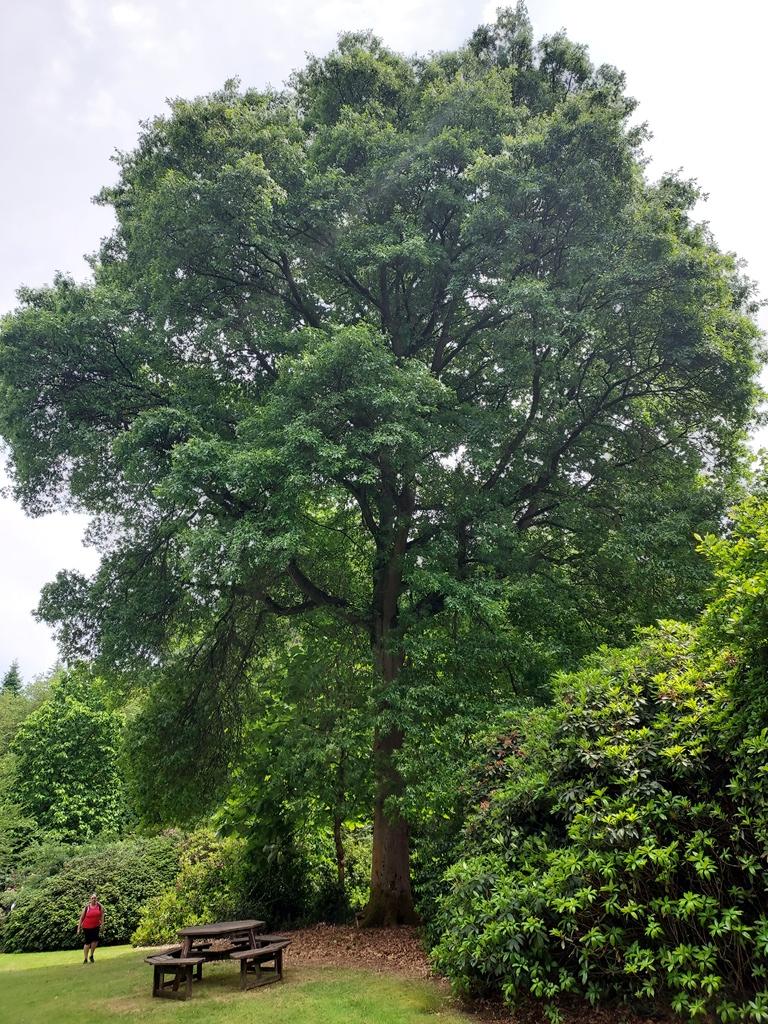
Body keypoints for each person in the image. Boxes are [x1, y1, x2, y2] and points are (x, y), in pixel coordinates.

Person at [77, 894, 104, 963]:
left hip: (96, 926)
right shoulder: (87, 907)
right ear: (90, 899)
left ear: (96, 899)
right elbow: (81, 918)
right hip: (87, 927)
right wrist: (78, 928)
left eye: (95, 898)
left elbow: (102, 916)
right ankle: (85, 958)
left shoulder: (99, 907)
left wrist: (102, 925)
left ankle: (91, 955)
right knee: (87, 943)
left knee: (95, 941)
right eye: (92, 898)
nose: (94, 899)